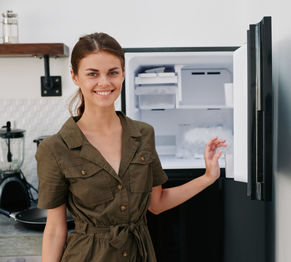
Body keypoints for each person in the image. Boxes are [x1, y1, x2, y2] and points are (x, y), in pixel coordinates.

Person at [36, 32, 227, 262]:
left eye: (113, 73)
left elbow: (156, 204)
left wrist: (207, 177)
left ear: (123, 74)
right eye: (92, 74)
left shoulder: (143, 134)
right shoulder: (55, 148)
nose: (104, 82)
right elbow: (55, 230)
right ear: (75, 77)